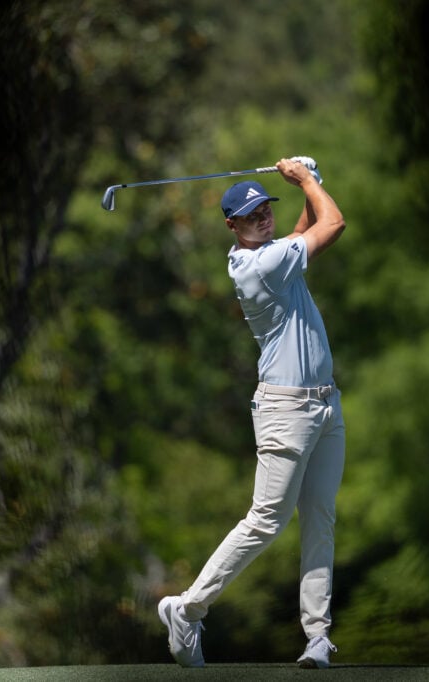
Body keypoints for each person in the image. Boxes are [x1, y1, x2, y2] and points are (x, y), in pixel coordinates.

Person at [157, 156, 347, 669]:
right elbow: (332, 224)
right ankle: (188, 609)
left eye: (266, 209)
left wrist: (307, 188)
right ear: (231, 227)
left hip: (325, 406)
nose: (263, 218)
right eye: (251, 215)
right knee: (266, 520)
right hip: (287, 411)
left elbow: (302, 229)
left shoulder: (273, 254)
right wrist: (309, 179)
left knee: (320, 521)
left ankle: (316, 638)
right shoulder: (262, 265)